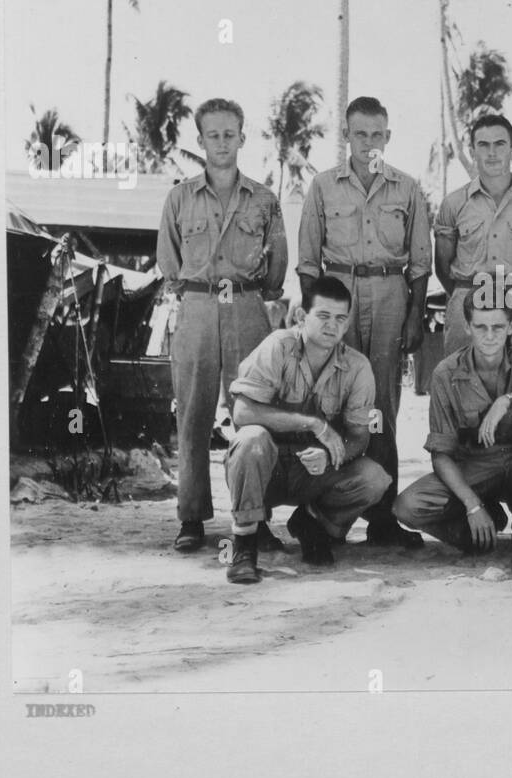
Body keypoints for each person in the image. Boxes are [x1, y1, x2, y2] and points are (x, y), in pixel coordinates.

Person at [298, 96, 432, 550]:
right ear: (347, 136)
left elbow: (419, 264)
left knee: (382, 409)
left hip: (390, 293)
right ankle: (321, 513)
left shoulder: (408, 188)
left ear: (387, 137)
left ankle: (382, 519)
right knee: (333, 403)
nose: (368, 143)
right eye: (360, 134)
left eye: (377, 134)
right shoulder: (322, 187)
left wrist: (413, 314)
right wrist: (315, 321)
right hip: (339, 296)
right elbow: (306, 262)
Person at [156, 98, 288, 554]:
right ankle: (191, 518)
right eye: (213, 135)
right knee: (192, 415)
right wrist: (198, 294)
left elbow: (277, 269)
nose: (222, 143)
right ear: (200, 141)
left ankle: (256, 517)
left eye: (230, 134)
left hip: (248, 306)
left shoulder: (265, 200)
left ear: (242, 138)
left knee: (252, 412)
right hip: (196, 306)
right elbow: (169, 263)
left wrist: (252, 298)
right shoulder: (179, 197)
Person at [222, 276, 393, 583]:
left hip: (314, 472)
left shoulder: (357, 367)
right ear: (302, 316)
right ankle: (245, 545)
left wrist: (329, 455)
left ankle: (313, 523)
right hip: (268, 469)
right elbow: (243, 411)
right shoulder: (278, 346)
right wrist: (313, 424)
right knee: (250, 439)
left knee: (374, 478)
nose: (332, 326)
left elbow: (359, 436)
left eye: (340, 319)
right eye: (323, 316)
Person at [393, 294, 512, 572]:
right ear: (467, 327)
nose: (490, 336)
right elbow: (441, 454)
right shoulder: (446, 373)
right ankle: (482, 526)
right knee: (407, 506)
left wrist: (509, 400)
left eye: (498, 327)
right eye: (481, 327)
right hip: (477, 467)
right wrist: (471, 505)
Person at [435, 114, 512, 353]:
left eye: (499, 144)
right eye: (483, 145)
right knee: (462, 380)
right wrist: (465, 294)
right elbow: (442, 265)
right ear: (472, 151)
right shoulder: (453, 203)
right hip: (467, 300)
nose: (492, 152)